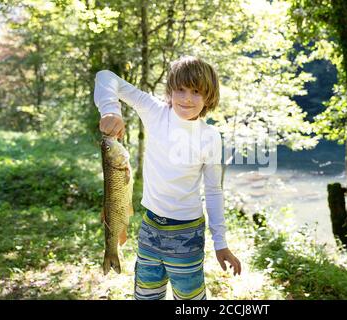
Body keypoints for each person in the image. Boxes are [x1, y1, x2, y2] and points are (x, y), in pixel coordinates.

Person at [94, 56, 241, 300]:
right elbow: (105, 77)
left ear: (208, 96)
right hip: (150, 229)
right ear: (170, 91)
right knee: (146, 297)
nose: (186, 98)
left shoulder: (210, 136)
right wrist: (110, 109)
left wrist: (220, 242)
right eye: (180, 90)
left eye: (196, 91)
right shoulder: (155, 111)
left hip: (187, 234)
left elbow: (214, 191)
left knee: (190, 301)